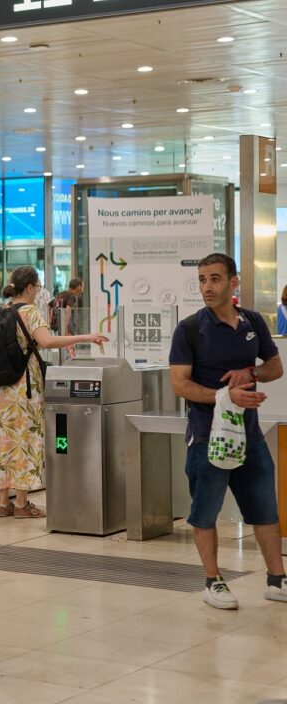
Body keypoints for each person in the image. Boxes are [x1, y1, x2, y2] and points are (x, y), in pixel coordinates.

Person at [168, 253, 287, 610]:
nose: (207, 286)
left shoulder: (252, 322)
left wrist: (250, 375)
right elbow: (179, 385)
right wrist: (224, 395)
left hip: (250, 436)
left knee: (265, 508)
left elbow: (275, 367)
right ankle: (213, 581)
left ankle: (276, 579)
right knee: (205, 512)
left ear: (233, 283)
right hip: (207, 436)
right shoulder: (189, 329)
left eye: (215, 279)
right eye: (202, 279)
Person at [0, 266, 107, 518]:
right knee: (26, 440)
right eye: (38, 286)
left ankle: (3, 503)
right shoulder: (29, 312)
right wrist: (85, 336)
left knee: (4, 441)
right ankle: (21, 504)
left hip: (0, 388)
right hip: (24, 387)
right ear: (29, 287)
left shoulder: (2, 309)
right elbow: (47, 342)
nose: (39, 291)